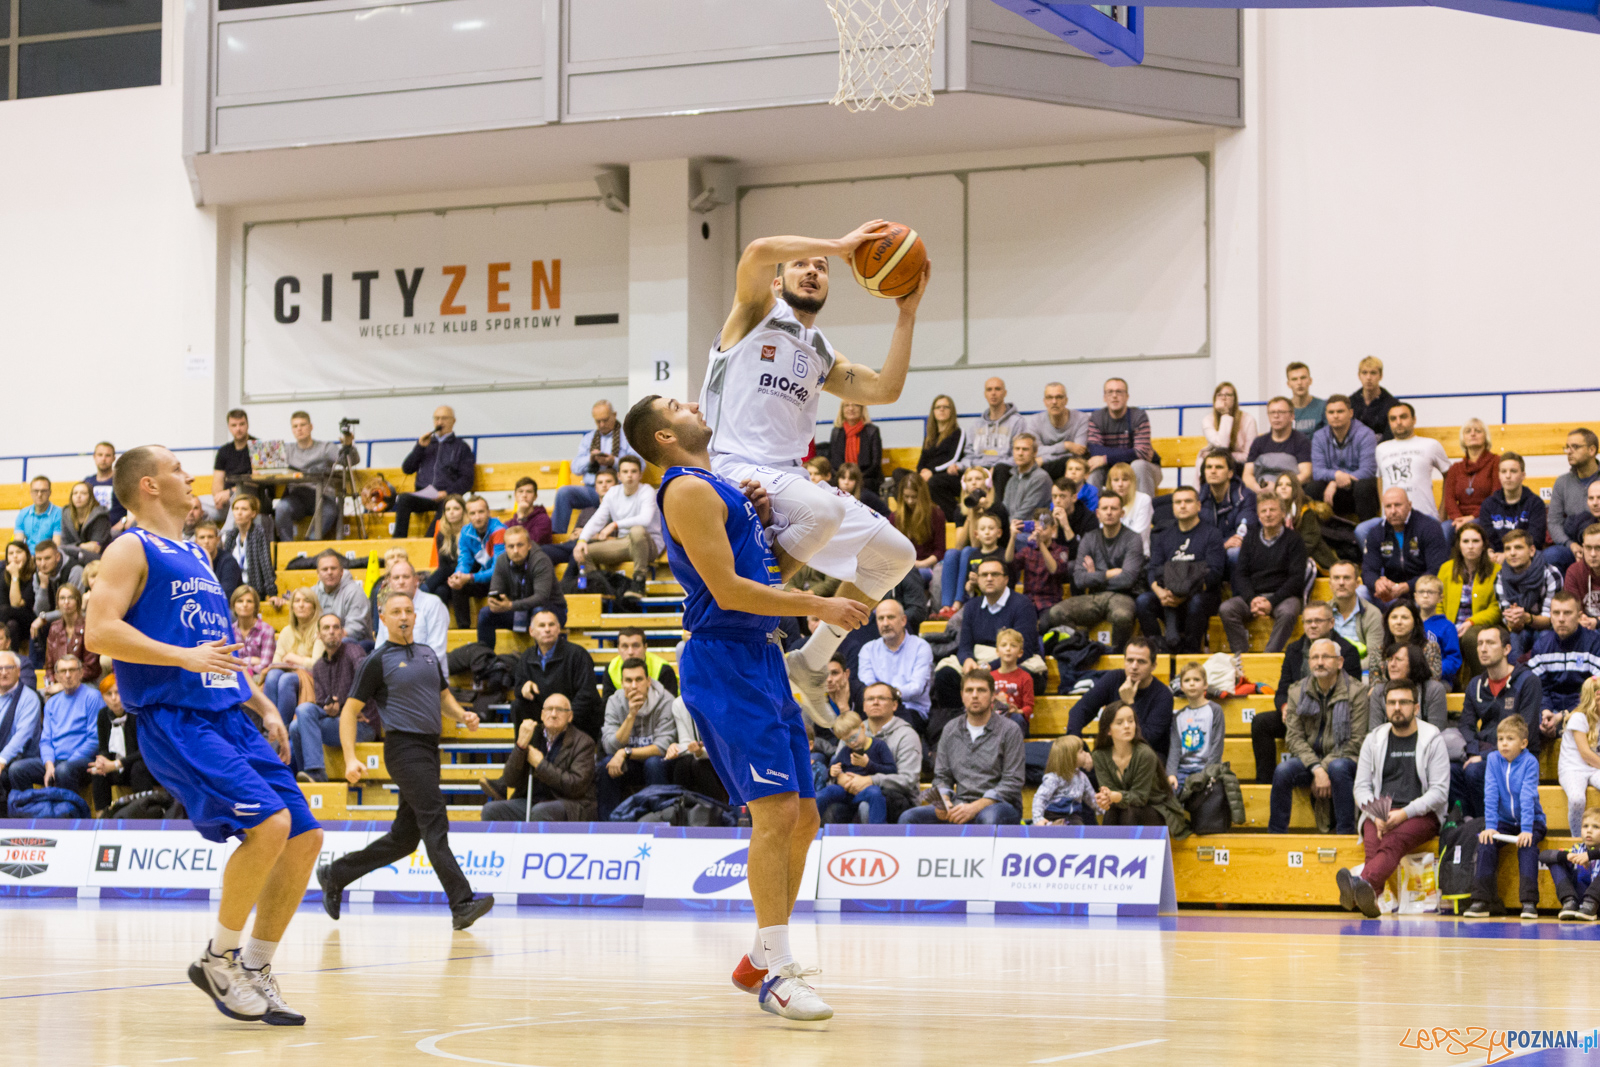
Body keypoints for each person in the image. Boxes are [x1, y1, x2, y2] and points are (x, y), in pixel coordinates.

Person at [624, 391, 874, 1023]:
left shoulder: (722, 489)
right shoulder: (683, 488)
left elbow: (763, 574)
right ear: (663, 436)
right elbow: (731, 591)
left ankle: (763, 955)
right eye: (675, 403)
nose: (692, 404)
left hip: (762, 655)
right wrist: (820, 606)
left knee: (807, 818)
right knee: (775, 814)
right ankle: (779, 973)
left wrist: (776, 531)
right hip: (724, 659)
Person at [85, 445, 321, 1024]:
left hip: (230, 715)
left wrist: (263, 703)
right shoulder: (128, 547)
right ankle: (219, 959)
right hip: (176, 718)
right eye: (175, 470)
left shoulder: (194, 551)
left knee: (305, 837)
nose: (188, 476)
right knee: (269, 824)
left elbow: (216, 650)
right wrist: (181, 657)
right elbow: (97, 631)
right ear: (147, 485)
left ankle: (257, 967)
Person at [320, 592, 492, 929]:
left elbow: (442, 696)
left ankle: (335, 874)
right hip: (403, 749)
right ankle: (461, 903)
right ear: (382, 618)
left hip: (429, 749)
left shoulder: (428, 654)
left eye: (409, 611)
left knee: (404, 838)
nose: (404, 616)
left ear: (416, 616)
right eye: (396, 611)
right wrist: (351, 758)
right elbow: (349, 713)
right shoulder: (377, 660)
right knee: (435, 820)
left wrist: (462, 715)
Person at [1336, 682, 1451, 918]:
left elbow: (1439, 792)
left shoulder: (1432, 738)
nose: (1397, 707)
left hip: (1420, 815)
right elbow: (1361, 787)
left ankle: (1361, 883)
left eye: (1404, 702)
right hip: (1379, 812)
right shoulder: (1374, 739)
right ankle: (1373, 900)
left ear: (1416, 707)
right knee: (1375, 847)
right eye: (1391, 703)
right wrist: (1376, 814)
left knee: (1392, 840)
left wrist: (1403, 814)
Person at [1255, 601, 1363, 784]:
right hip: (1299, 714)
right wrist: (1285, 706)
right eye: (1308, 621)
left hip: (1331, 718)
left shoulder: (1347, 651)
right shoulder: (1293, 649)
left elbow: (1351, 692)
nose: (1313, 625)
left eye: (1318, 620)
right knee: (1261, 723)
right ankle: (1265, 784)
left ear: (1331, 623)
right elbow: (1283, 688)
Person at [900, 669, 1024, 826]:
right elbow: (942, 776)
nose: (974, 695)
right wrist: (943, 801)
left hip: (999, 805)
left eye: (981, 690)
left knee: (988, 818)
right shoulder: (950, 729)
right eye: (969, 690)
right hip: (960, 803)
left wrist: (974, 807)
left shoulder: (1010, 730)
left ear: (993, 695)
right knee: (909, 817)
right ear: (962, 695)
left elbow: (1012, 781)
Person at [1270, 639, 1367, 834]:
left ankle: (1345, 833)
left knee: (1338, 768)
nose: (1319, 662)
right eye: (1314, 657)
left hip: (1346, 759)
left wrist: (1323, 768)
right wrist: (1316, 768)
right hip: (1310, 760)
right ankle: (1276, 835)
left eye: (1325, 657)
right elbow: (1294, 737)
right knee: (1282, 770)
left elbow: (1356, 740)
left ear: (1339, 662)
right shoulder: (1297, 691)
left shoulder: (1357, 692)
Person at [1453, 626, 1543, 818]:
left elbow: (1525, 730)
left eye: (1490, 643)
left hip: (1519, 757)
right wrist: (1474, 750)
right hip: (1484, 752)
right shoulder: (1476, 684)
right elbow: (1466, 725)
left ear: (1506, 649)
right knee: (1452, 771)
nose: (1483, 649)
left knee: (1475, 771)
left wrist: (1484, 757)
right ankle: (1469, 826)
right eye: (1479, 644)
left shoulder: (1527, 681)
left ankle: (1488, 824)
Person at [1463, 715, 1546, 920]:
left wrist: (1527, 829)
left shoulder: (1530, 762)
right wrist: (1491, 826)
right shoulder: (1493, 759)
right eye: (1500, 739)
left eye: (1510, 739)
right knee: (1486, 841)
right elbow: (1490, 793)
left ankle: (1528, 902)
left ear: (1523, 743)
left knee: (1527, 846)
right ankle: (1481, 900)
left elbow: (1528, 796)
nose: (1504, 743)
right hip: (1505, 821)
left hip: (1531, 821)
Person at [1043, 493, 1144, 651]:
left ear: (1122, 513)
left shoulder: (1133, 538)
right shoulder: (1089, 538)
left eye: (1114, 508)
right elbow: (1079, 579)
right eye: (1105, 508)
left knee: (1122, 616)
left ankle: (1116, 656)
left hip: (1123, 596)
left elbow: (1128, 579)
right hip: (1095, 597)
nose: (1109, 512)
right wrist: (1108, 574)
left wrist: (1094, 575)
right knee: (1057, 612)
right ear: (1098, 513)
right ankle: (1084, 647)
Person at [479, 693, 597, 823]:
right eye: (549, 709)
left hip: (569, 805)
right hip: (531, 802)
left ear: (570, 717)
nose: (553, 714)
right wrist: (520, 747)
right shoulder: (533, 736)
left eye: (560, 710)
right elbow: (510, 780)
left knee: (541, 811)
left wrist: (541, 764)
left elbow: (575, 787)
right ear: (542, 715)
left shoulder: (583, 743)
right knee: (490, 810)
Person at [814, 682, 920, 825]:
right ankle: (811, 839)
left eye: (882, 698)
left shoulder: (906, 735)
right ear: (863, 706)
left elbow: (908, 780)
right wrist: (840, 777)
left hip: (894, 798)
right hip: (850, 794)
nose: (875, 702)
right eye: (870, 699)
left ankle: (874, 845)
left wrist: (871, 780)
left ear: (895, 705)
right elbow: (837, 766)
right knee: (831, 808)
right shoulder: (851, 730)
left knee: (867, 805)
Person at [1136, 486, 1225, 655]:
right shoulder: (1163, 536)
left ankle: (1190, 652)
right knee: (1143, 601)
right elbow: (1153, 569)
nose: (1182, 506)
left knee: (1197, 602)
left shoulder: (1212, 534)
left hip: (1200, 595)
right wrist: (1160, 592)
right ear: (1173, 507)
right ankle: (1157, 649)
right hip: (1168, 595)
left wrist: (1183, 594)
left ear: (1198, 506)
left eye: (1188, 501)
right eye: (1178, 502)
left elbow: (1214, 573)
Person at [1219, 494, 1307, 654]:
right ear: (1258, 515)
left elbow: (1296, 579)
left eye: (1272, 510)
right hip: (1254, 596)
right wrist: (1252, 599)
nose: (1268, 514)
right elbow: (1241, 574)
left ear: (1282, 513)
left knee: (1288, 612)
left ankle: (1268, 657)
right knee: (1227, 609)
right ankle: (1242, 658)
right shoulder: (1250, 538)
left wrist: (1272, 602)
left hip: (1283, 597)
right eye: (1263, 511)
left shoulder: (1295, 540)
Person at [1064, 637, 1174, 762]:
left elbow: (1145, 739)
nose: (1134, 666)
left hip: (1147, 757)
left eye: (1141, 662)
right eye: (1130, 660)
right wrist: (1076, 746)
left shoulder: (1163, 695)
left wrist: (1128, 704)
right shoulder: (1114, 678)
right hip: (1112, 754)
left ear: (1153, 666)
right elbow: (1080, 710)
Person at [288, 614, 367, 782]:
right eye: (326, 628)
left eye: (336, 627)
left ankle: (316, 774)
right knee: (296, 724)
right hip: (336, 723)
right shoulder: (318, 667)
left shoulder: (353, 651)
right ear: (318, 635)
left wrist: (354, 708)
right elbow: (323, 702)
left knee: (300, 724)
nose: (332, 632)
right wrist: (330, 710)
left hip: (360, 724)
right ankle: (309, 777)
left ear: (342, 632)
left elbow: (367, 679)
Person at [7, 653, 102, 793]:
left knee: (64, 770)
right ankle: (30, 810)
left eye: (72, 670)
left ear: (81, 673)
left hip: (81, 761)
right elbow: (46, 741)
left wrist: (69, 761)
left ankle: (68, 812)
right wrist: (49, 764)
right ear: (56, 677)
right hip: (55, 761)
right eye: (63, 671)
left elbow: (95, 739)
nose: (68, 675)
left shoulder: (93, 697)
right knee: (17, 769)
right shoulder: (51, 703)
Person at [1091, 702, 1189, 836]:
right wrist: (1106, 798)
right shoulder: (1099, 755)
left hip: (1158, 809)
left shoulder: (1145, 754)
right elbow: (1108, 790)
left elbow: (1140, 797)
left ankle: (1130, 856)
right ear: (1108, 730)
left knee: (1129, 811)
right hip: (1126, 807)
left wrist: (1115, 796)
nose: (1127, 726)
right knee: (1112, 811)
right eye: (1119, 723)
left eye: (1131, 721)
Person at [597, 658, 679, 817]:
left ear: (648, 681)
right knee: (606, 765)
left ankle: (660, 819)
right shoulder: (614, 701)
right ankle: (607, 825)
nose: (634, 686)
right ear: (622, 683)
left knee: (653, 763)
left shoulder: (666, 701)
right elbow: (610, 746)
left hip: (659, 763)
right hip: (630, 764)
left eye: (639, 679)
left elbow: (662, 747)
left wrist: (625, 752)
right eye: (628, 680)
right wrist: (631, 715)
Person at [574, 456, 662, 600]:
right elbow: (597, 519)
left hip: (648, 545)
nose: (629, 475)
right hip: (624, 543)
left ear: (640, 475)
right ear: (619, 475)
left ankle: (638, 583)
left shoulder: (647, 491)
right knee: (584, 552)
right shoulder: (613, 493)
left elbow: (644, 519)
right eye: (625, 471)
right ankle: (602, 590)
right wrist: (582, 540)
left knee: (637, 530)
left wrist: (614, 524)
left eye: (633, 471)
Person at [552, 400, 640, 536]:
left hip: (619, 490)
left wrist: (615, 461)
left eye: (605, 420)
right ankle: (557, 536)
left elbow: (640, 465)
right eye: (598, 421)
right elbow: (575, 468)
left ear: (614, 415)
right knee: (564, 493)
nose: (602, 425)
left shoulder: (628, 436)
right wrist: (590, 459)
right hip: (592, 491)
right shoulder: (589, 438)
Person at [390, 406, 475, 538]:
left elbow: (467, 479)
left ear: (453, 421)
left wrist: (447, 492)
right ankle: (398, 541)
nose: (439, 422)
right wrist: (419, 448)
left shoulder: (461, 447)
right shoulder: (426, 444)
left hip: (446, 495)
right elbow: (407, 468)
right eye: (437, 418)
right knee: (404, 499)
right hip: (424, 494)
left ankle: (428, 540)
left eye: (444, 418)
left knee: (448, 505)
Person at [272, 412, 358, 541]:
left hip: (322, 497)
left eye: (302, 425)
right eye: (295, 426)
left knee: (330, 511)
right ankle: (287, 549)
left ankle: (310, 545)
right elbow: (265, 467)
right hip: (296, 498)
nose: (299, 429)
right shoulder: (286, 450)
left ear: (311, 427)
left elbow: (350, 461)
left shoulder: (325, 448)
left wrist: (348, 446)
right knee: (282, 508)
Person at [477, 525, 563, 647]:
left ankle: (543, 661)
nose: (515, 550)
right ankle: (485, 660)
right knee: (486, 613)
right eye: (511, 546)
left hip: (552, 610)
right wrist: (495, 602)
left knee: (539, 613)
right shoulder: (502, 560)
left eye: (520, 545)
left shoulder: (540, 560)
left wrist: (510, 605)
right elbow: (495, 590)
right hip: (518, 610)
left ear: (529, 545)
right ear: (505, 547)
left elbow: (541, 597)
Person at [1361, 487, 1448, 607]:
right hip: (1390, 593)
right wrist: (1377, 583)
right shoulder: (1377, 532)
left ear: (1409, 505)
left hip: (1420, 592)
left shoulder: (1429, 527)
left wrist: (1407, 586)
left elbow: (1436, 569)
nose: (1393, 511)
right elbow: (1368, 570)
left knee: (1426, 597)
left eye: (1397, 505)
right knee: (1361, 593)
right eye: (1388, 506)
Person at [1528, 591, 1600, 732]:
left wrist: (1564, 715)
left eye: (1567, 613)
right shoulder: (1541, 646)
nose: (1561, 619)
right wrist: (1545, 712)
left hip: (1584, 710)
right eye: (1556, 613)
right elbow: (1540, 688)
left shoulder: (1594, 644)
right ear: (1550, 616)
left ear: (1579, 616)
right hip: (1551, 709)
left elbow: (1595, 691)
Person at [1439, 521, 1501, 678]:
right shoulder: (1446, 569)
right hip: (1450, 624)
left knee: (1470, 637)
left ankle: (1483, 682)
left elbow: (1497, 607)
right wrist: (1445, 625)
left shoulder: (1496, 571)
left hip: (1480, 625)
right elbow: (1437, 602)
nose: (1470, 546)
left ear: (1484, 545)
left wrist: (1471, 622)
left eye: (1475, 541)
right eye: (1465, 541)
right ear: (1459, 545)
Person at [815, 709, 898, 823]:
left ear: (862, 727)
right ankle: (810, 829)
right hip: (846, 791)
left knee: (874, 792)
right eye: (847, 740)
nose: (852, 743)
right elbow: (831, 770)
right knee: (824, 793)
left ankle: (878, 833)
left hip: (866, 789)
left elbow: (891, 770)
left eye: (853, 737)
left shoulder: (879, 746)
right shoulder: (845, 751)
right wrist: (832, 772)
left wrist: (869, 764)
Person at [855, 599, 932, 722]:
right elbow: (867, 685)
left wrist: (886, 697)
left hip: (911, 709)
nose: (885, 623)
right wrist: (886, 699)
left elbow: (916, 687)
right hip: (877, 709)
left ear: (903, 620)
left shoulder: (920, 647)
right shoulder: (868, 649)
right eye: (881, 618)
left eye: (890, 617)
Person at [1373, 402, 1451, 523]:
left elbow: (1450, 475)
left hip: (1425, 516)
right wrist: (1384, 510)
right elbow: (1380, 478)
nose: (1398, 422)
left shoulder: (1431, 445)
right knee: (1362, 530)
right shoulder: (1381, 449)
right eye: (1393, 418)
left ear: (1414, 419)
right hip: (1391, 519)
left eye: (1403, 417)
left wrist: (1443, 512)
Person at [87, 674, 154, 813]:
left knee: (138, 768)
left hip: (139, 766)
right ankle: (102, 817)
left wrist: (117, 764)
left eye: (118, 693)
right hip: (116, 768)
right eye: (108, 694)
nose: (114, 699)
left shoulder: (137, 713)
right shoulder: (103, 715)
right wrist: (102, 762)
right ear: (103, 697)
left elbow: (145, 751)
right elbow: (104, 748)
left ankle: (142, 813)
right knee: (98, 771)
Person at [1086, 377, 1159, 499]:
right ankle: (1093, 516)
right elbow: (1095, 450)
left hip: (1144, 471)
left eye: (1119, 392)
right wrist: (1129, 453)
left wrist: (1105, 458)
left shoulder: (1139, 416)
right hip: (1111, 472)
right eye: (1110, 392)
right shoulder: (1096, 417)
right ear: (1104, 397)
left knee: (1139, 465)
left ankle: (1146, 516)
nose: (1114, 396)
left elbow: (1141, 452)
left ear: (1127, 396)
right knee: (1094, 470)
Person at [1309, 395, 1380, 521]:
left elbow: (1368, 470)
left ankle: (1367, 535)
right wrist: (1336, 475)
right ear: (1326, 415)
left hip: (1357, 490)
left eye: (1340, 411)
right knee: (1313, 488)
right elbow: (1317, 472)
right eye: (1331, 412)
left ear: (1350, 413)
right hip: (1332, 494)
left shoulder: (1366, 434)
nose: (1335, 416)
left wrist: (1336, 481)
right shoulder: (1319, 437)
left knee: (1364, 486)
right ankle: (1319, 535)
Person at [1494, 529, 1559, 664]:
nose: (1512, 553)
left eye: (1518, 547)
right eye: (1507, 549)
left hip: (1547, 627)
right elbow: (1511, 624)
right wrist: (1515, 621)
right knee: (1514, 638)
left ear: (1531, 551)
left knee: (1545, 636)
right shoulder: (1501, 578)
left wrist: (1527, 618)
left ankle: (1542, 681)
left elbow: (1551, 620)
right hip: (1521, 628)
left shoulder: (1550, 575)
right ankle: (1516, 680)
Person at [446, 496, 505, 629]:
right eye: (472, 513)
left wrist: (470, 577)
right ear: (467, 516)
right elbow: (464, 560)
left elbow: (498, 570)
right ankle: (464, 629)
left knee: (498, 582)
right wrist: (459, 575)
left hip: (501, 580)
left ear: (488, 512)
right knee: (457, 586)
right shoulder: (466, 532)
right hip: (483, 578)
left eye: (481, 512)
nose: (477, 517)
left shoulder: (498, 530)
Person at [1546, 428, 1600, 572]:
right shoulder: (1562, 482)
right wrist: (1571, 545)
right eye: (1567, 447)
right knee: (1550, 556)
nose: (1569, 452)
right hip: (1573, 545)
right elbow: (1554, 522)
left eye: (1575, 447)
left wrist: (1593, 546)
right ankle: (1564, 595)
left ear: (1592, 450)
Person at [1478, 452, 1547, 561]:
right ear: (1499, 475)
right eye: (1503, 471)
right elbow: (1486, 538)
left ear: (1523, 475)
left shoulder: (1535, 503)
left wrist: (1507, 555)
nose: (1508, 476)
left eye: (1513, 471)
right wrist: (1490, 552)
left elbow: (1536, 540)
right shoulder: (1488, 504)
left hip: (1526, 558)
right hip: (1495, 557)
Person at [374, 559, 447, 662]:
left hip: (427, 672)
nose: (401, 582)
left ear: (416, 580)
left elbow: (436, 653)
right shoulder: (386, 607)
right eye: (396, 578)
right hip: (394, 671)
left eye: (406, 577)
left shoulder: (433, 604)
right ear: (389, 582)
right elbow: (379, 649)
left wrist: (407, 669)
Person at [1167, 661, 1224, 791]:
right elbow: (1175, 748)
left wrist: (1207, 774)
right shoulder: (1179, 716)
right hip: (1183, 770)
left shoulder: (1215, 710)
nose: (1192, 683)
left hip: (1206, 768)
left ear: (1205, 685)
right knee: (1169, 792)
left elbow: (1217, 746)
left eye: (1196, 679)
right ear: (1181, 686)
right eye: (1187, 680)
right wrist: (1171, 774)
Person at [0, 650, 44, 813]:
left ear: (18, 671)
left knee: (8, 773)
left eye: (8, 668)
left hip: (22, 756)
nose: (3, 673)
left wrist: (2, 760)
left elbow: (22, 737)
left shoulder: (29, 698)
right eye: (0, 669)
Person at [1368, 643, 1448, 731]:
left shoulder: (1433, 690)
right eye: (1390, 660)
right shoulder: (1379, 691)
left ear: (1414, 663)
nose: (1392, 664)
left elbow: (1437, 732)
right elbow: (1375, 733)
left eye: (1398, 659)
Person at [1006, 508, 1070, 615]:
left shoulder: (1061, 550)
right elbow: (1009, 561)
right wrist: (1012, 537)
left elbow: (1054, 569)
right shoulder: (1028, 551)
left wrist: (1040, 544)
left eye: (1043, 528)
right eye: (1035, 528)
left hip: (1050, 603)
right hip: (1027, 602)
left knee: (1046, 622)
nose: (1039, 531)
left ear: (1053, 529)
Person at [1242, 396, 1314, 493]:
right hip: (1262, 491)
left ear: (1292, 416)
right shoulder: (1259, 442)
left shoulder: (1301, 441)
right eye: (1272, 412)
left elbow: (1306, 474)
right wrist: (1258, 489)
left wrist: (1279, 488)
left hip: (1291, 491)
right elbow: (1247, 475)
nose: (1276, 416)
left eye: (1281, 412)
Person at [1197, 450, 1255, 568]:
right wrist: (1222, 545)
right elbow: (1196, 537)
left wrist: (1220, 546)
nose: (1213, 471)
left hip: (1232, 554)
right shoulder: (1198, 499)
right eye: (1209, 467)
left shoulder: (1245, 497)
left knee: (1235, 552)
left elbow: (1243, 536)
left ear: (1230, 473)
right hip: (1211, 552)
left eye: (1219, 467)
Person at [1557, 679, 1600, 838]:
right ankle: (1577, 840)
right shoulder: (1578, 718)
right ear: (1595, 697)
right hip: (1573, 769)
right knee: (1576, 799)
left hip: (1594, 769)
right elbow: (1586, 754)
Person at [893, 475, 945, 600]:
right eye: (906, 497)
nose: (910, 501)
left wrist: (920, 564)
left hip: (927, 565)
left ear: (921, 496)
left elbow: (939, 551)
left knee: (910, 578)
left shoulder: (936, 514)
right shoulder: (896, 517)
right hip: (904, 566)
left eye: (914, 497)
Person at [1443, 419, 1499, 532]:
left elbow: (1496, 496)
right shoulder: (1455, 468)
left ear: (1486, 437)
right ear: (1463, 438)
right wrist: (1458, 518)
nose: (1473, 434)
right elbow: (1449, 498)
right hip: (1459, 517)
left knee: (1473, 527)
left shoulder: (1496, 462)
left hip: (1486, 516)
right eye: (1468, 431)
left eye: (1478, 431)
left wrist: (1472, 517)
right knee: (1444, 529)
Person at [958, 377, 1024, 473]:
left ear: (1005, 393)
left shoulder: (1017, 422)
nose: (993, 393)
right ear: (985, 394)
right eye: (989, 390)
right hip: (978, 469)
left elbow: (1018, 455)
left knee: (1001, 470)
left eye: (997, 389)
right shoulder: (976, 424)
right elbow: (969, 454)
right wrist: (959, 466)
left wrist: (996, 468)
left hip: (1004, 470)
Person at [1545, 807, 1600, 921]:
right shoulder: (1577, 849)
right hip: (1580, 902)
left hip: (1597, 903)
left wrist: (1590, 855)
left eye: (1596, 827)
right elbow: (1544, 855)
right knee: (1555, 861)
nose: (1589, 830)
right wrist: (1567, 856)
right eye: (1585, 826)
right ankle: (1569, 901)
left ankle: (1591, 903)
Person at [917, 394, 966, 516]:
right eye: (938, 407)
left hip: (947, 476)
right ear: (933, 411)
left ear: (951, 411)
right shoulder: (929, 436)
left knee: (933, 483)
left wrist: (932, 472)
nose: (941, 409)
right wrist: (921, 472)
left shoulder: (958, 433)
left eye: (945, 407)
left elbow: (954, 458)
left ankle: (955, 517)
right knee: (900, 476)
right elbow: (922, 459)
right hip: (928, 476)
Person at [1275, 473, 1335, 573]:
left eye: (1288, 485)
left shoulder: (1306, 511)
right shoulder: (1272, 513)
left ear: (1295, 489)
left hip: (1313, 560)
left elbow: (1309, 543)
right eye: (1280, 485)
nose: (1283, 487)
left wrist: (1285, 557)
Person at [600, 627, 679, 702]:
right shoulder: (611, 669)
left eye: (635, 646)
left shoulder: (663, 669)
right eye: (625, 646)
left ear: (645, 647)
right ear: (618, 649)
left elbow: (670, 705)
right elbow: (607, 706)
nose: (630, 652)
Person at [1198, 381, 1258, 480]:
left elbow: (1249, 456)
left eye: (1228, 395)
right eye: (1219, 395)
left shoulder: (1248, 419)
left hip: (1239, 467)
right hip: (1216, 466)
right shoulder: (1208, 420)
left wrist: (1225, 414)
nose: (1223, 398)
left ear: (1235, 399)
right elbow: (1222, 444)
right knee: (1207, 466)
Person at [1032, 735, 1096, 825]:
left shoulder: (1082, 777)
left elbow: (1092, 799)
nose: (1086, 754)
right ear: (1070, 757)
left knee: (1079, 827)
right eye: (1081, 751)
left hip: (1073, 817)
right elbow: (1040, 798)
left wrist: (1104, 805)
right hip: (1052, 816)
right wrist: (1038, 819)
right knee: (1055, 827)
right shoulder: (1053, 778)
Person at [308, 551, 370, 645]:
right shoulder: (312, 593)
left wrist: (326, 638)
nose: (329, 572)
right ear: (318, 573)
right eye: (325, 569)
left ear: (341, 572)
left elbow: (356, 629)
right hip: (321, 642)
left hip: (354, 644)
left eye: (333, 568)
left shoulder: (355, 592)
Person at [1412, 575, 1463, 687]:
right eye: (1421, 592)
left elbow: (1454, 659)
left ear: (1441, 597)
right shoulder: (1410, 623)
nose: (1425, 595)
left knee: (1430, 689)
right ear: (1415, 596)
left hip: (1440, 680)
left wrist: (1433, 670)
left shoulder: (1447, 626)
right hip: (1412, 677)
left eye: (1430, 592)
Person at [43, 584, 97, 688]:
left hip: (84, 682)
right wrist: (50, 683)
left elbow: (91, 668)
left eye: (70, 598)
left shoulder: (89, 626)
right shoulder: (54, 628)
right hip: (60, 682)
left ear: (78, 601)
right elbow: (49, 666)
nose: (66, 602)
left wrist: (64, 684)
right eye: (62, 598)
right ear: (58, 602)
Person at [207, 409, 254, 522]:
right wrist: (218, 497)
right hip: (224, 500)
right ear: (229, 427)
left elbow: (257, 481)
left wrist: (230, 492)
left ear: (247, 425)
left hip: (249, 497)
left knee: (238, 502)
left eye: (241, 424)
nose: (238, 429)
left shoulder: (258, 448)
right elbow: (217, 480)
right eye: (234, 425)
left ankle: (226, 536)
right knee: (194, 504)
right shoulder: (223, 451)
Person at [828, 402, 883, 495]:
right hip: (841, 479)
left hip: (866, 478)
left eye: (856, 405)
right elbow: (832, 462)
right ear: (842, 410)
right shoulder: (836, 432)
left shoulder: (872, 431)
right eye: (846, 405)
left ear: (862, 409)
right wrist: (844, 479)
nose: (851, 408)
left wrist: (855, 479)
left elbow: (875, 464)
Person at [989, 627, 1034, 732]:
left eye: (1013, 645)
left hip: (1014, 719)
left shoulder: (1025, 677)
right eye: (1004, 645)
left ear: (1020, 652)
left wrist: (1018, 711)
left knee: (1015, 719)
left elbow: (1029, 707)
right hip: (994, 718)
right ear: (997, 651)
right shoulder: (990, 677)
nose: (1008, 649)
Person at [229, 585, 276, 685]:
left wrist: (244, 667)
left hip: (259, 678)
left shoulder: (266, 630)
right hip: (233, 677)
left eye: (249, 601)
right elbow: (228, 662)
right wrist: (251, 660)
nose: (244, 605)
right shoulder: (230, 631)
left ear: (255, 606)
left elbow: (265, 665)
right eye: (240, 601)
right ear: (233, 605)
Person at [999, 433, 1052, 521]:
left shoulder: (1041, 478)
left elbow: (1026, 513)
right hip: (1012, 529)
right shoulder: (1012, 478)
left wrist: (1004, 528)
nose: (1020, 453)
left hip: (1030, 530)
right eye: (1017, 449)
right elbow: (1004, 509)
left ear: (1035, 452)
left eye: (1025, 449)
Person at [1104, 461, 1153, 553]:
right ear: (1110, 483)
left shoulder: (1143, 499)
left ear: (1132, 481)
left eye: (1125, 479)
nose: (1120, 484)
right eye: (1116, 480)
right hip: (1110, 554)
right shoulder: (1105, 501)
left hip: (1137, 553)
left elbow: (1139, 535)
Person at [424, 494, 468, 596]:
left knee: (443, 572)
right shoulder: (441, 535)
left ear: (464, 512)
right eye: (448, 509)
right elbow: (442, 565)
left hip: (466, 578)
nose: (451, 512)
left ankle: (422, 591)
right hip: (448, 578)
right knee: (440, 591)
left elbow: (468, 565)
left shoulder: (469, 533)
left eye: (456, 508)